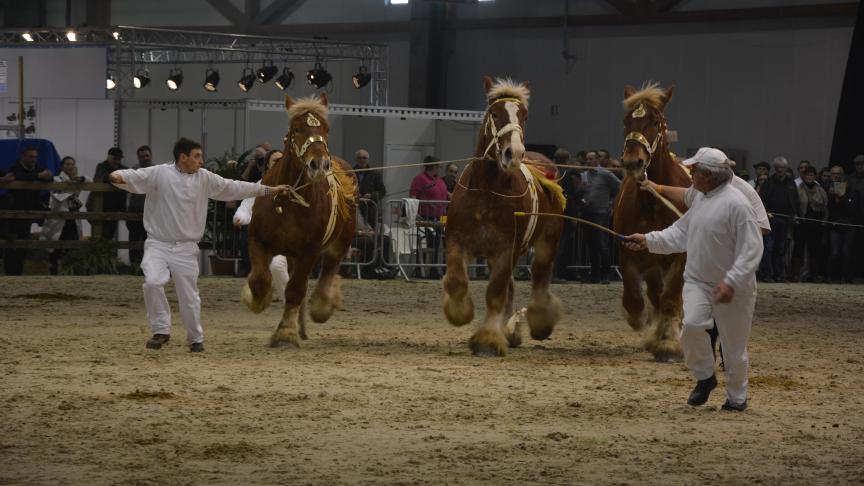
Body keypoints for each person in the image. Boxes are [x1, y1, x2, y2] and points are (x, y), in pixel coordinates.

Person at [108, 137, 294, 352]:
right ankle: (161, 330)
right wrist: (116, 176)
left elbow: (234, 187)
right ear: (183, 157)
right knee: (152, 283)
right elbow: (132, 177)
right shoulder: (159, 173)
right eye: (197, 156)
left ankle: (195, 338)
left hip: (186, 247)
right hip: (158, 243)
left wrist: (269, 190)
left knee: (189, 295)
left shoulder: (205, 178)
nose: (201, 160)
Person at [624, 147, 763, 412]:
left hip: (735, 289)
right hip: (699, 282)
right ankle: (705, 377)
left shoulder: (738, 205)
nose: (690, 173)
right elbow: (680, 233)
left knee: (733, 348)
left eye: (694, 170)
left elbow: (752, 250)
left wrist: (731, 282)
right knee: (691, 326)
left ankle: (736, 398)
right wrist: (648, 240)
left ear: (708, 177)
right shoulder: (701, 197)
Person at [3, 146, 54, 275]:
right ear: (23, 156)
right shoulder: (15, 167)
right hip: (14, 211)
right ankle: (10, 272)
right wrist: (37, 176)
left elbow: (49, 177)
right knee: (11, 243)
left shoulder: (37, 168)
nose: (34, 159)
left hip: (29, 211)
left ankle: (18, 272)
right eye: (31, 157)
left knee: (23, 243)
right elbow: (17, 176)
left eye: (35, 157)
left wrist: (46, 175)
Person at [41, 156, 86, 274]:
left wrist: (81, 178)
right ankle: (53, 270)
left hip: (72, 217)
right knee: (56, 245)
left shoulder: (78, 180)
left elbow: (89, 180)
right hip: (59, 217)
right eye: (67, 164)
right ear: (62, 166)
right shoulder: (57, 179)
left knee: (72, 244)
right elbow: (57, 195)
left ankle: (69, 271)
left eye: (72, 164)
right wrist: (71, 186)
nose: (70, 167)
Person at [580, 150, 620, 284]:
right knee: (590, 245)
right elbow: (581, 192)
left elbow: (619, 188)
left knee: (602, 245)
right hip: (587, 212)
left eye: (591, 159)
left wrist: (611, 204)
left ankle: (606, 274)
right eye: (587, 159)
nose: (589, 162)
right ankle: (595, 274)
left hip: (601, 213)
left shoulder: (605, 174)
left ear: (597, 160)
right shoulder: (584, 175)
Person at [757, 156, 799, 283]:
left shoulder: (791, 182)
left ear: (786, 168)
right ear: (775, 168)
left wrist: (794, 214)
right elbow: (761, 200)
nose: (781, 170)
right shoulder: (769, 182)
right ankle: (767, 275)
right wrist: (767, 212)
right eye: (778, 167)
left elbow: (794, 200)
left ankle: (779, 275)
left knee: (780, 249)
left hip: (785, 220)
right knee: (769, 247)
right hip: (771, 219)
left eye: (783, 167)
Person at [409, 156, 448, 278]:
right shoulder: (420, 179)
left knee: (436, 245)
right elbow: (413, 196)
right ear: (433, 165)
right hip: (426, 216)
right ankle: (420, 269)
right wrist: (416, 214)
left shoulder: (440, 180)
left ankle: (434, 269)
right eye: (438, 166)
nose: (440, 169)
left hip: (441, 217)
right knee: (426, 244)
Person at [793, 166, 828, 282]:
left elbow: (826, 207)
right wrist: (796, 219)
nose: (809, 177)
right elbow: (795, 205)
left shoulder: (820, 189)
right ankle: (796, 274)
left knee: (815, 250)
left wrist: (824, 221)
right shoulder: (798, 189)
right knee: (799, 249)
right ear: (803, 176)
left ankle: (813, 275)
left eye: (812, 175)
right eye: (807, 175)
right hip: (802, 224)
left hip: (816, 225)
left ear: (815, 176)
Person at [86, 147, 128, 241]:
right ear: (109, 157)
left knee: (109, 234)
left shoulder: (123, 168)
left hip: (114, 207)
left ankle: (105, 254)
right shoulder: (101, 166)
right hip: (98, 206)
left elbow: (129, 179)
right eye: (115, 158)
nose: (117, 161)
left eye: (119, 159)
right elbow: (101, 177)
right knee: (97, 233)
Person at [826, 166, 859, 283]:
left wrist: (842, 197)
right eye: (833, 174)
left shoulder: (852, 191)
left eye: (838, 174)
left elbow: (852, 209)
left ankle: (844, 277)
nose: (836, 176)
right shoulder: (828, 189)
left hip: (849, 226)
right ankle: (830, 277)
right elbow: (830, 209)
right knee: (834, 253)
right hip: (835, 225)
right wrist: (832, 196)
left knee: (846, 253)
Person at [126, 145, 153, 265]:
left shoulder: (157, 169)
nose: (145, 158)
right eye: (142, 156)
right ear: (138, 157)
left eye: (146, 155)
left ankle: (148, 266)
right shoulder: (134, 170)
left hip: (152, 211)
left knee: (150, 240)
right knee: (134, 238)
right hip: (135, 208)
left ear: (151, 156)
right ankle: (134, 266)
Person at [354, 149, 386, 228]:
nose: (362, 160)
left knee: (371, 235)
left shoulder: (375, 173)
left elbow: (382, 191)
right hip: (354, 210)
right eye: (360, 158)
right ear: (356, 159)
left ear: (368, 160)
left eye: (364, 158)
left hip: (370, 211)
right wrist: (354, 194)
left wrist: (371, 196)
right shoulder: (350, 173)